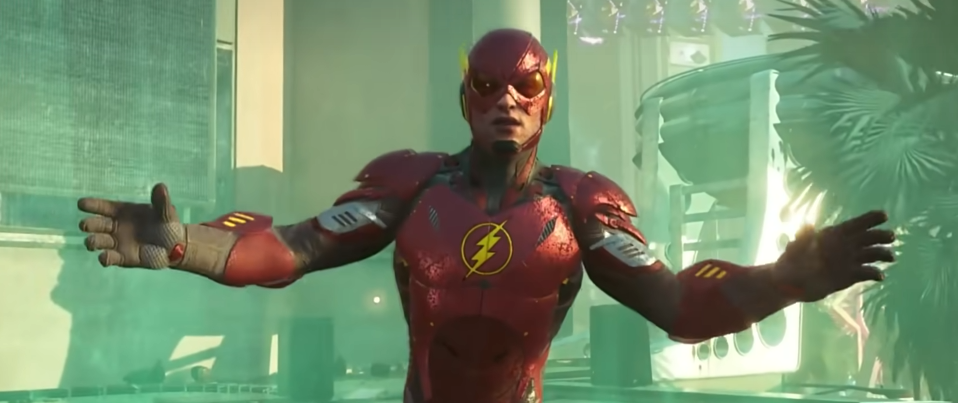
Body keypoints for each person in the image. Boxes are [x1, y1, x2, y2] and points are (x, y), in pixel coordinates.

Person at [76, 29, 895, 403]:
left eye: (526, 85)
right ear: (465, 97)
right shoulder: (410, 187)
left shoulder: (581, 205)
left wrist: (784, 280)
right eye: (489, 84)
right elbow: (293, 246)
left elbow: (679, 304)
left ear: (547, 100)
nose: (507, 98)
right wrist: (191, 246)